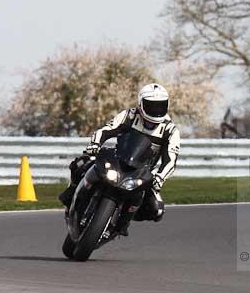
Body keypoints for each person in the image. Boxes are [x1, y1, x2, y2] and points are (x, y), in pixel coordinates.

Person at [58, 83, 181, 236]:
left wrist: (160, 178)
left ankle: (121, 224)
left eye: (160, 106)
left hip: (142, 172)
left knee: (156, 209)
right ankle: (71, 197)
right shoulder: (129, 115)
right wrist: (95, 145)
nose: (156, 111)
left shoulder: (170, 130)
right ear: (141, 104)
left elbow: (171, 160)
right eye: (151, 106)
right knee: (81, 163)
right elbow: (106, 130)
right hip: (118, 159)